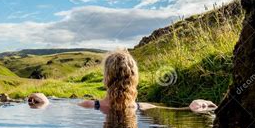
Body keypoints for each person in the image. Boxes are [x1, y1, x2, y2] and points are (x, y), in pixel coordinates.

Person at [78, 50, 218, 113]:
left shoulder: (88, 105)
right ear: (134, 78)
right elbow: (182, 109)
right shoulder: (145, 107)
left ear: (106, 78)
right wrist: (194, 105)